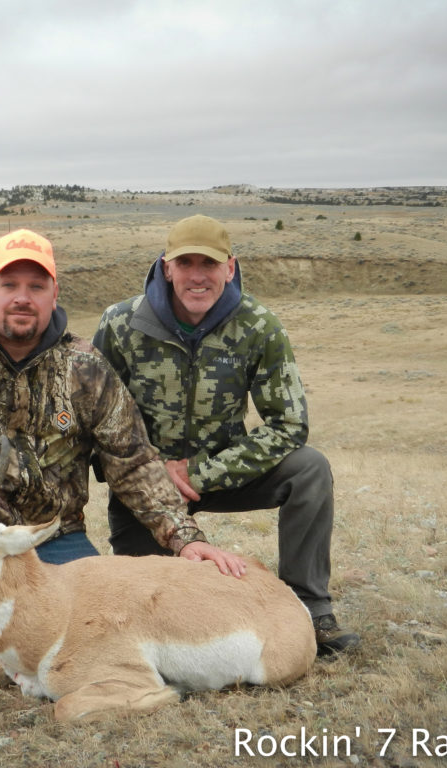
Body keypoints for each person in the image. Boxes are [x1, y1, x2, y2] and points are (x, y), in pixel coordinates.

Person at [0, 227, 245, 683]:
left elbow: (134, 462)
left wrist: (185, 538)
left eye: (36, 286)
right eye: (9, 285)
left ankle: (19, 648)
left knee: (88, 624)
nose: (22, 298)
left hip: (49, 536)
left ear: (54, 294)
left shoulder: (85, 367)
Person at [92, 214, 360, 656]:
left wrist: (202, 473)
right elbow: (97, 420)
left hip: (224, 475)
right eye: (186, 263)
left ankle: (310, 610)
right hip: (146, 487)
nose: (198, 276)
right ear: (166, 267)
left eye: (210, 264)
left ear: (230, 268)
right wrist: (151, 472)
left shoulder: (259, 326)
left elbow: (290, 424)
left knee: (309, 469)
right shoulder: (120, 325)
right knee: (145, 612)